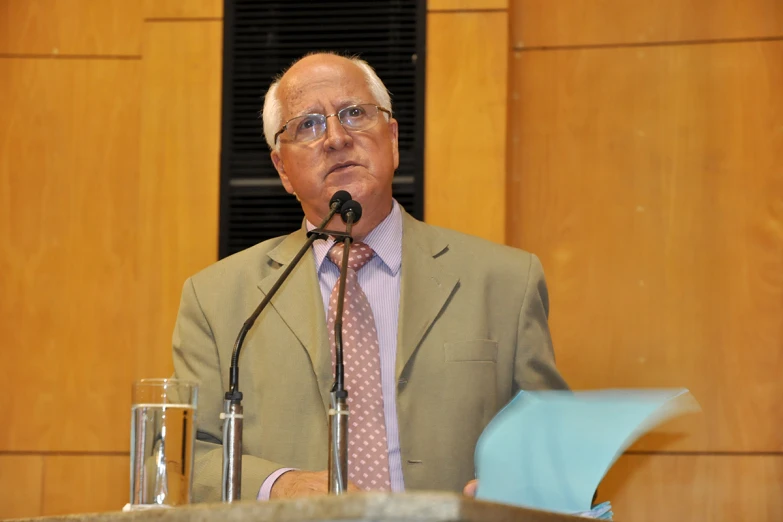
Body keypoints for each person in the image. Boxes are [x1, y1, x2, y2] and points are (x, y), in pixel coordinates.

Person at [172, 52, 568, 503]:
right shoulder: (217, 298)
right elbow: (182, 456)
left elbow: (553, 442)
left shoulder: (506, 282)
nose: (337, 138)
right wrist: (278, 484)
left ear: (394, 139)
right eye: (308, 125)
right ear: (282, 168)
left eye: (354, 114)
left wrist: (522, 486)